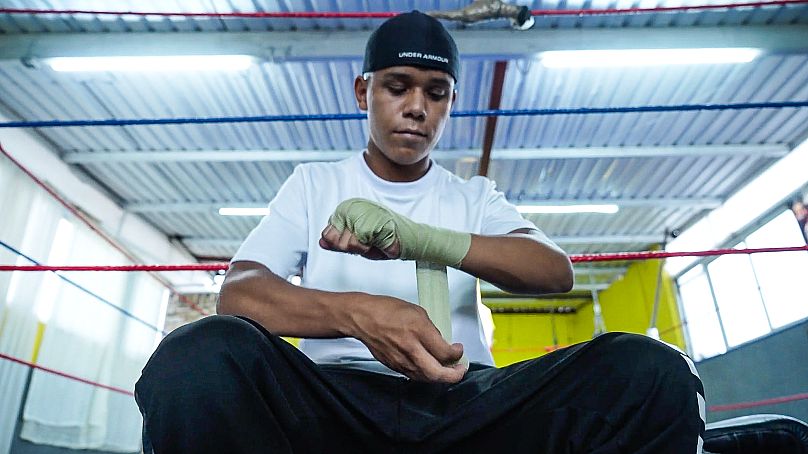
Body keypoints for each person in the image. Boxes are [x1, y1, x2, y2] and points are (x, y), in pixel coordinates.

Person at [135, 11, 705, 453]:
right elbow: (240, 291)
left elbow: (555, 272)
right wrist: (357, 313)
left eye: (436, 92)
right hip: (335, 402)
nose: (416, 108)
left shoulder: (472, 197)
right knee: (193, 357)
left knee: (651, 369)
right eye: (397, 86)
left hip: (469, 404)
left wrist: (421, 240)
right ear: (363, 93)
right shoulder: (314, 185)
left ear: (452, 103)